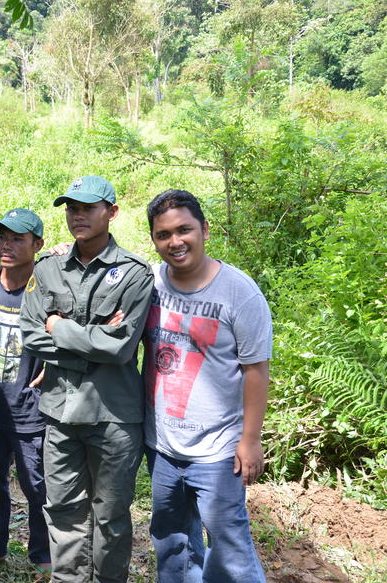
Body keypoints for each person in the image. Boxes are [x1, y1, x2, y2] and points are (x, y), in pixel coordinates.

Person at [20, 176, 154, 583]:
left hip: (112, 416)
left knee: (110, 516)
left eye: (87, 207)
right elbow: (29, 332)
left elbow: (121, 348)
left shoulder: (133, 273)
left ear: (111, 212)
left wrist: (58, 326)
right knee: (62, 511)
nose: (77, 215)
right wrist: (91, 343)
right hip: (59, 414)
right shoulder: (47, 268)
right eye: (71, 208)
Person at [142, 189, 271, 583]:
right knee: (172, 540)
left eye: (184, 230)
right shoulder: (148, 282)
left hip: (217, 450)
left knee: (230, 547)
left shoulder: (239, 292)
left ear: (205, 230)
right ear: (154, 239)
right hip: (162, 445)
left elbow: (256, 371)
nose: (175, 242)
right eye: (164, 234)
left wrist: (250, 439)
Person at [0, 209, 51, 573]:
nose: (7, 244)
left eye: (18, 238)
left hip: (30, 409)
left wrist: (55, 363)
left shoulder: (46, 289)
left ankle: (43, 556)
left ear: (37, 245)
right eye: (3, 236)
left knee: (38, 488)